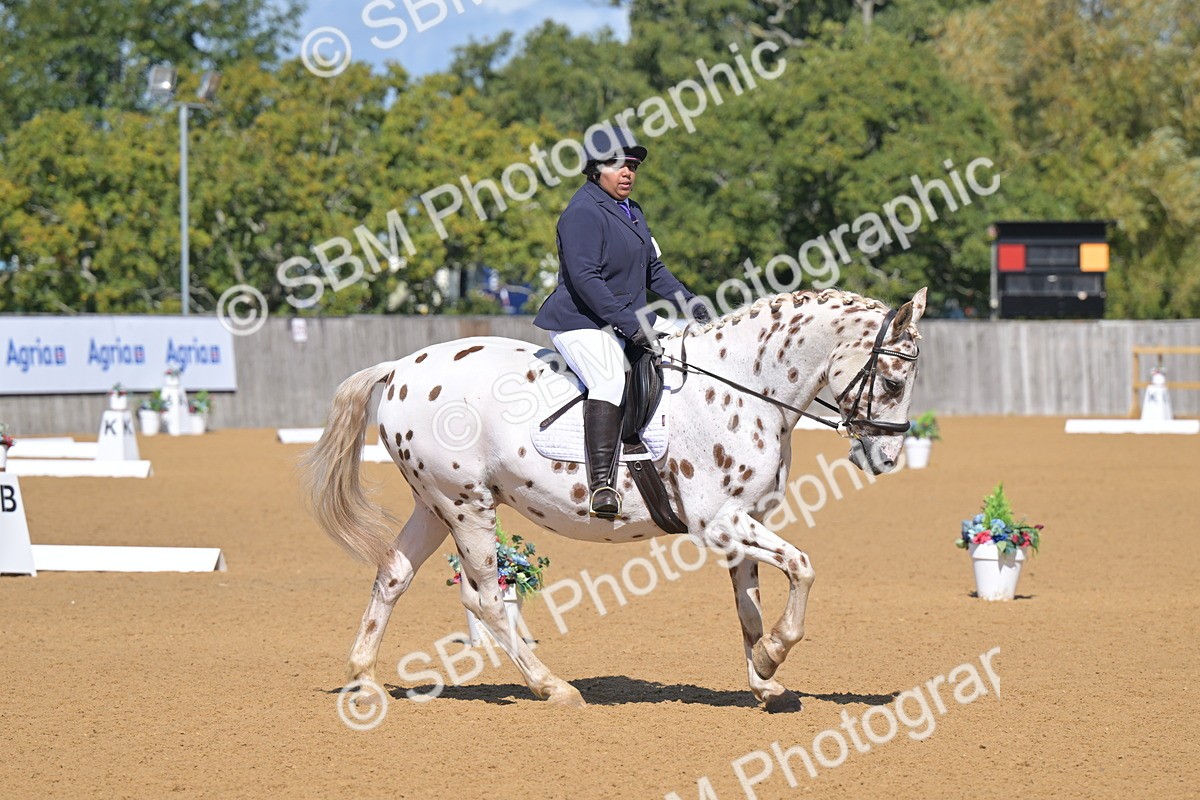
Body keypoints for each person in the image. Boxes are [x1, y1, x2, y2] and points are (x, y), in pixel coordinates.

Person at [533, 127, 711, 519]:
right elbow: (586, 280)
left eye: (632, 166)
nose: (628, 172)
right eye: (618, 165)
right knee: (610, 379)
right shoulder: (582, 213)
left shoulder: (632, 211)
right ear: (596, 169)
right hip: (581, 321)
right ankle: (601, 484)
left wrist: (690, 302)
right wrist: (631, 325)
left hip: (621, 317)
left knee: (685, 350)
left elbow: (653, 270)